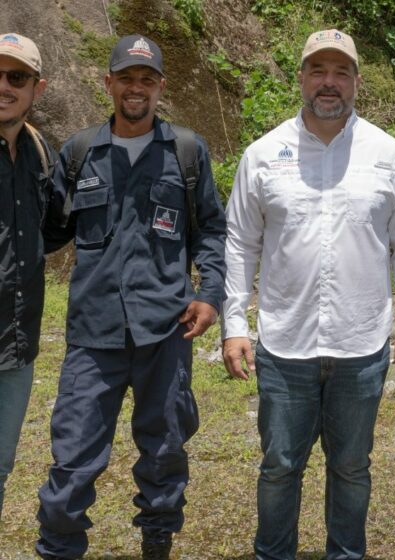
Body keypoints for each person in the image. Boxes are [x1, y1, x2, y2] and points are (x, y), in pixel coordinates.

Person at [221, 29, 395, 560]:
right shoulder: (264, 155)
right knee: (278, 467)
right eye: (318, 70)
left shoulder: (390, 156)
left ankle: (346, 554)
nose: (329, 83)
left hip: (360, 347)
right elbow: (239, 244)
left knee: (352, 466)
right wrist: (234, 325)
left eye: (341, 72)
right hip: (284, 344)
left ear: (357, 81)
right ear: (300, 78)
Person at [35, 34, 226, 559]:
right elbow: (47, 230)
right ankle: (59, 548)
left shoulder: (186, 151)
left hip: (165, 328)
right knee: (72, 457)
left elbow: (211, 228)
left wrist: (210, 294)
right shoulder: (78, 152)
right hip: (92, 335)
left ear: (160, 87)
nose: (135, 88)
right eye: (126, 78)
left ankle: (157, 543)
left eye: (146, 79)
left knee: (164, 450)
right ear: (109, 84)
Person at [0, 32, 63, 520]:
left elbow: (52, 230)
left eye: (16, 77)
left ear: (36, 89)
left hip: (17, 343)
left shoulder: (41, 154)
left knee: (1, 466)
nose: (4, 85)